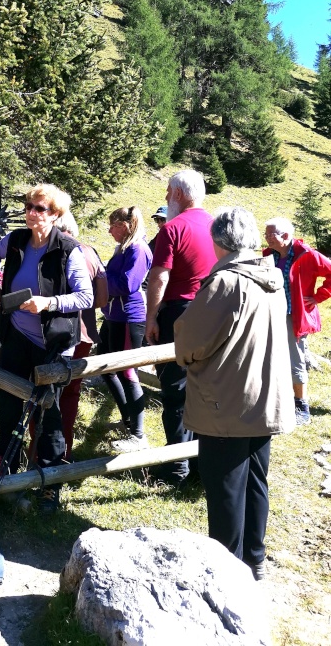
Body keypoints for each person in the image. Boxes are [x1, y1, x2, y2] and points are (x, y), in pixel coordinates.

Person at [175, 207, 295, 580]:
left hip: (225, 402)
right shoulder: (270, 277)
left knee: (225, 487)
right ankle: (254, 560)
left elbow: (191, 341)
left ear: (219, 242)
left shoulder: (226, 283)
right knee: (256, 481)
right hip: (265, 400)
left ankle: (228, 574)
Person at [0, 184, 93, 513]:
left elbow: (85, 297)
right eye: (29, 206)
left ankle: (49, 484)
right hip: (17, 336)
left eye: (40, 208)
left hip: (52, 344)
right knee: (7, 402)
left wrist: (49, 302)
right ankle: (6, 471)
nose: (31, 212)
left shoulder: (68, 249)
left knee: (49, 413)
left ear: (56, 215)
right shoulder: (17, 240)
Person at [145, 169, 217, 485]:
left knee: (175, 391)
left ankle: (176, 465)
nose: (165, 198)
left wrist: (151, 317)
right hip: (215, 313)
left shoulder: (172, 229)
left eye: (167, 192)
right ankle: (204, 463)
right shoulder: (218, 226)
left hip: (179, 313)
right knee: (204, 391)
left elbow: (159, 277)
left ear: (176, 194)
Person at [263, 217, 331, 426]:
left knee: (295, 359)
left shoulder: (307, 255)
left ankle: (302, 406)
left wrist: (318, 297)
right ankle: (281, 400)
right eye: (265, 234)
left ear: (284, 235)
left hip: (295, 315)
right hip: (272, 313)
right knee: (272, 356)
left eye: (270, 234)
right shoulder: (268, 255)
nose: (266, 238)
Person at [52, 211, 108, 460]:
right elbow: (103, 298)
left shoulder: (46, 249)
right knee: (71, 393)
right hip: (84, 334)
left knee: (44, 391)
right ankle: (65, 451)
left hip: (50, 334)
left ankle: (38, 453)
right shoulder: (91, 252)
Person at [99, 206, 152, 452]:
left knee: (127, 372)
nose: (109, 230)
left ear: (127, 225)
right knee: (107, 368)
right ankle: (128, 419)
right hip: (113, 316)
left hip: (130, 318)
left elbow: (127, 285)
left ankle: (138, 435)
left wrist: (99, 281)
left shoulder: (138, 249)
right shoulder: (123, 248)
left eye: (113, 225)